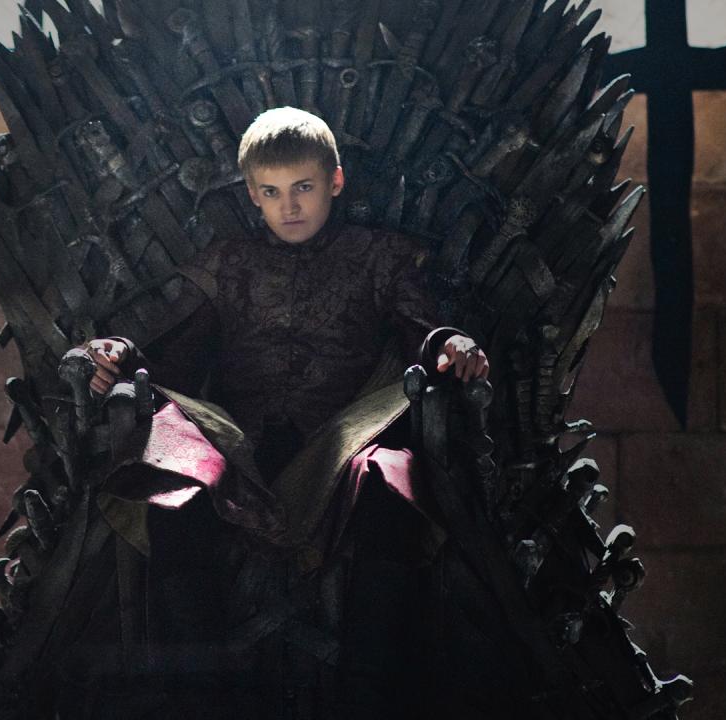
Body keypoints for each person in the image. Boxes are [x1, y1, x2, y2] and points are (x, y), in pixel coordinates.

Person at [79, 107, 490, 715]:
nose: (289, 206)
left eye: (303, 187)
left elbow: (420, 333)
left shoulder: (380, 257)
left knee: (393, 480)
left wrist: (451, 345)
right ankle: (200, 697)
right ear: (252, 194)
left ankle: (369, 693)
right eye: (271, 192)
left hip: (343, 443)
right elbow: (172, 353)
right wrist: (117, 355)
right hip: (237, 444)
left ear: (335, 182)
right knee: (173, 483)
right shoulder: (228, 262)